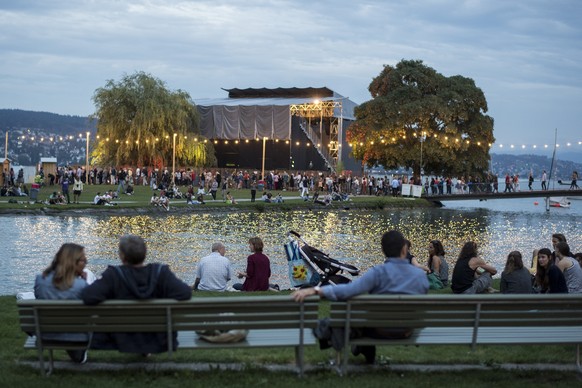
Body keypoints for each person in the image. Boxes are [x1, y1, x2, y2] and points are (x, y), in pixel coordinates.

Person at [292, 230, 429, 364]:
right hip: (406, 330)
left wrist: (316, 290)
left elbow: (348, 291)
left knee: (352, 322)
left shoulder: (378, 273)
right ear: (404, 250)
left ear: (383, 251)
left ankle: (363, 349)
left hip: (379, 329)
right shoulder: (419, 275)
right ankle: (365, 351)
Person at [81, 235, 191, 354]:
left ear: (122, 256)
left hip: (120, 337)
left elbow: (88, 296)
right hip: (157, 336)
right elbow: (185, 293)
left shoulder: (113, 275)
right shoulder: (161, 273)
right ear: (145, 253)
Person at [34, 243, 90, 363]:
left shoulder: (40, 280)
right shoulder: (81, 285)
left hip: (46, 334)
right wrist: (84, 283)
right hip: (77, 336)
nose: (86, 262)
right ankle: (78, 354)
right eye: (83, 260)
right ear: (72, 262)